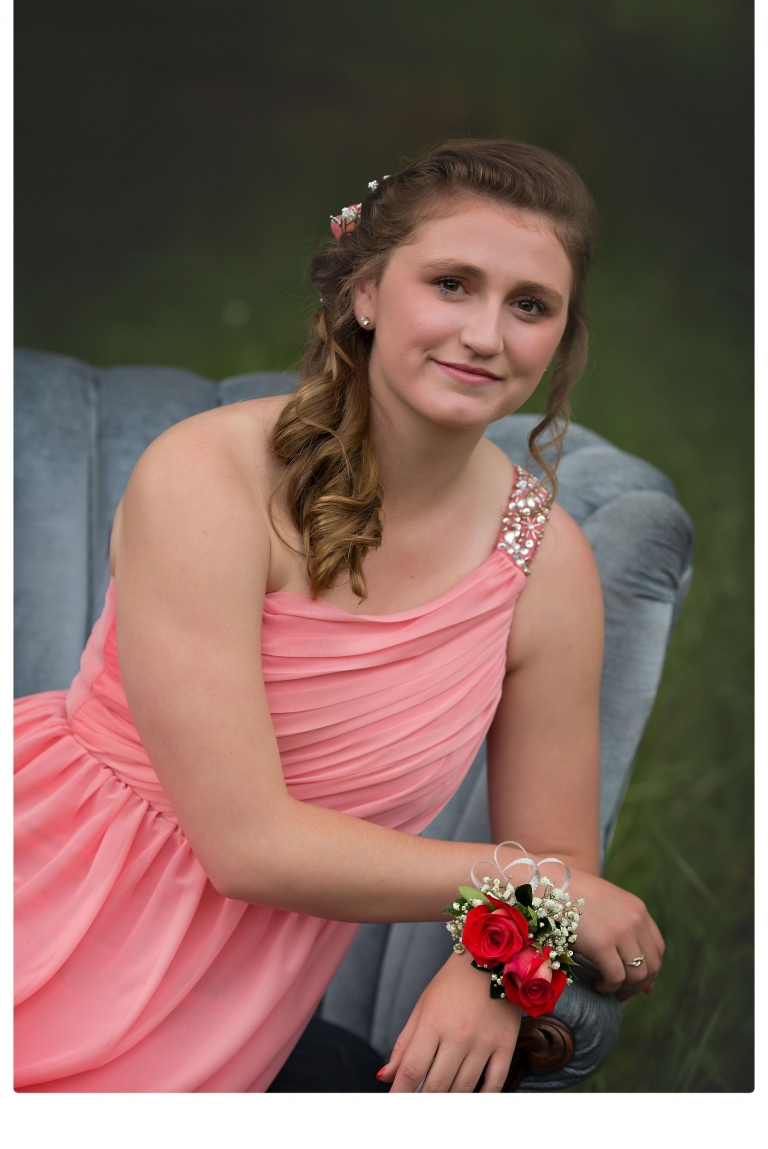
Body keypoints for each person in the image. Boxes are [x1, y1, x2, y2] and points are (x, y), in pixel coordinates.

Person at [14, 138, 664, 1093]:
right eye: (451, 284)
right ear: (366, 291)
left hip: (231, 1014)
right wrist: (539, 891)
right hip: (40, 907)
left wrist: (495, 965)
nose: (486, 334)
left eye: (531, 305)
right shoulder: (209, 477)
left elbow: (560, 851)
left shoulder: (545, 561)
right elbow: (246, 845)